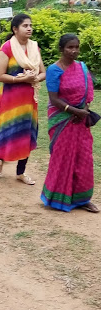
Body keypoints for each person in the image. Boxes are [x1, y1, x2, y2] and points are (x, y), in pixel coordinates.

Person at [41, 34, 98, 212]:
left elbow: (87, 92)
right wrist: (74, 111)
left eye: (76, 47)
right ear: (61, 49)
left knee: (84, 158)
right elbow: (54, 98)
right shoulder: (54, 70)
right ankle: (57, 198)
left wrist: (84, 110)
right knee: (63, 158)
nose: (74, 51)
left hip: (80, 121)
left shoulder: (82, 67)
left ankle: (83, 200)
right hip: (63, 120)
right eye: (70, 47)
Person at [0, 13, 46, 184]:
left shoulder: (34, 48)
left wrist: (34, 78)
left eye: (30, 25)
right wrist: (21, 79)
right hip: (11, 99)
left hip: (29, 100)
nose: (29, 28)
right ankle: (1, 159)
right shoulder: (7, 48)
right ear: (15, 29)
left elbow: (43, 72)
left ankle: (20, 172)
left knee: (27, 133)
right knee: (9, 130)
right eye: (25, 26)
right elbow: (0, 76)